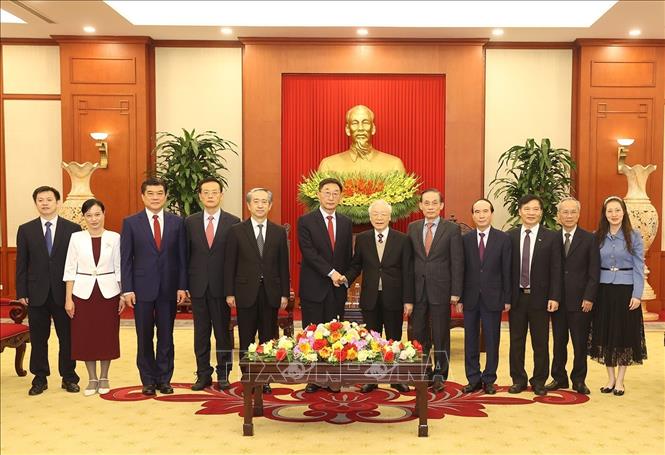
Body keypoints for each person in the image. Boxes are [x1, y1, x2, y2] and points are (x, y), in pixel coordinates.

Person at [121, 178, 187, 396]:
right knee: (144, 336)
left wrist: (182, 286)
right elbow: (126, 258)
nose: (155, 197)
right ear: (143, 196)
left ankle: (164, 379)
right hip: (141, 289)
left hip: (169, 288)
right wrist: (127, 289)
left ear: (166, 196)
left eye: (159, 193)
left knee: (166, 336)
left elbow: (182, 258)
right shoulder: (131, 222)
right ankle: (148, 380)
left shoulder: (177, 222)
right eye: (150, 193)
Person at [343, 199, 414, 393]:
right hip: (370, 297)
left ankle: (395, 378)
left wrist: (408, 300)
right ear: (370, 217)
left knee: (393, 339)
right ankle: (372, 379)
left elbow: (408, 271)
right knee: (372, 341)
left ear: (390, 217)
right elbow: (356, 265)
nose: (379, 218)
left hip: (394, 297)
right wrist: (345, 279)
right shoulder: (363, 238)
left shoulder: (402, 239)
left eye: (383, 214)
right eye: (375, 214)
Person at [16, 186, 82, 395]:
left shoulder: (72, 229)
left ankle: (69, 377)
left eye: (49, 199)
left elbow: (77, 263)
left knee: (67, 338)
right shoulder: (26, 229)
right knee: (38, 338)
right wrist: (21, 291)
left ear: (58, 202)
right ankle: (40, 378)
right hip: (36, 293)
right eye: (40, 200)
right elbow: (22, 263)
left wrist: (75, 292)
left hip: (64, 293)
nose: (45, 203)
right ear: (36, 203)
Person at [225, 188, 290, 394]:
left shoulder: (278, 232)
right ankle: (247, 377)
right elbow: (230, 263)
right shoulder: (236, 231)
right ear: (249, 205)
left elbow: (283, 265)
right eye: (256, 201)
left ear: (270, 206)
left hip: (271, 292)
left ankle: (265, 378)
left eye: (264, 202)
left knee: (267, 338)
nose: (260, 205)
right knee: (246, 337)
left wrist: (284, 293)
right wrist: (229, 292)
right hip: (245, 292)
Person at [63, 199, 124, 396]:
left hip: (108, 293)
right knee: (86, 336)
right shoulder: (76, 238)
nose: (94, 219)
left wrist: (122, 295)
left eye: (97, 214)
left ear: (104, 214)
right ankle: (92, 378)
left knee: (106, 335)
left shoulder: (114, 238)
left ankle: (104, 377)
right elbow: (70, 269)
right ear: (84, 217)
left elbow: (119, 268)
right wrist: (68, 298)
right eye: (89, 215)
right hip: (82, 294)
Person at [297, 177, 353, 393]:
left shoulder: (346, 222)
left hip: (336, 289)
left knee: (334, 334)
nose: (331, 197)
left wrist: (344, 277)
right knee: (312, 335)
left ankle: (332, 378)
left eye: (335, 193)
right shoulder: (306, 221)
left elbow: (346, 255)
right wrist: (331, 273)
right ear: (318, 195)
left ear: (341, 197)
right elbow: (309, 253)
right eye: (327, 192)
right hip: (314, 287)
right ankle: (313, 378)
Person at [185, 177, 240, 391]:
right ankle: (203, 374)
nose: (210, 196)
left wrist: (231, 289)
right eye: (206, 192)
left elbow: (235, 259)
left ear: (221, 195)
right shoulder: (190, 222)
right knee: (201, 334)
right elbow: (185, 255)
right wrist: (185, 285)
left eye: (214, 192)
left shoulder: (233, 222)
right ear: (200, 195)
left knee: (222, 334)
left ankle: (224, 374)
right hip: (198, 286)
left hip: (221, 288)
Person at [588, 196, 646, 396]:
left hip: (626, 291)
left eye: (617, 210)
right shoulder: (597, 236)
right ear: (604, 214)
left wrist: (637, 294)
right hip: (603, 290)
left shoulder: (634, 236)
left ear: (624, 212)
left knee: (623, 334)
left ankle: (620, 380)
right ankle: (610, 379)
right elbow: (592, 267)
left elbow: (639, 267)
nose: (614, 214)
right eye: (610, 211)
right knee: (605, 333)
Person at [406, 189, 463, 393]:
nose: (430, 207)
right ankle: (423, 371)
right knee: (419, 334)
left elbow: (457, 261)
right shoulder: (412, 227)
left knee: (441, 335)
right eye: (426, 203)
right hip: (417, 290)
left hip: (441, 289)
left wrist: (456, 291)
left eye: (434, 203)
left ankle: (440, 374)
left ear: (441, 206)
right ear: (420, 206)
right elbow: (409, 260)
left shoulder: (452, 229)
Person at [508, 194, 562, 396]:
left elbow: (556, 269)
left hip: (541, 298)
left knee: (540, 343)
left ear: (541, 212)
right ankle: (518, 380)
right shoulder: (510, 236)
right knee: (516, 341)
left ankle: (539, 381)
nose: (531, 213)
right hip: (517, 298)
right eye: (527, 209)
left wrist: (554, 296)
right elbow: (505, 270)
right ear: (520, 211)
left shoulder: (551, 237)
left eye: (535, 209)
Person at [546, 197, 599, 395]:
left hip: (581, 302)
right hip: (557, 301)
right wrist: (552, 297)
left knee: (579, 344)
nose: (569, 216)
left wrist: (589, 297)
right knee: (559, 343)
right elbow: (550, 271)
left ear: (579, 214)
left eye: (573, 212)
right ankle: (559, 377)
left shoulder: (589, 239)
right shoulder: (552, 239)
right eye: (565, 212)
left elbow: (594, 272)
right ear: (558, 215)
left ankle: (579, 380)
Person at [457, 198, 511, 395]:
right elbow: (461, 270)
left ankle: (489, 379)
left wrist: (507, 298)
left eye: (485, 211)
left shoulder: (503, 239)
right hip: (470, 297)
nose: (481, 215)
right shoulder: (465, 240)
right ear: (472, 215)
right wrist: (460, 298)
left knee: (492, 340)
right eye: (477, 212)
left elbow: (507, 270)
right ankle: (473, 378)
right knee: (470, 340)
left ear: (491, 214)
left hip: (493, 297)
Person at [318, 105, 406, 174]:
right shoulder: (328, 166)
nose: (360, 128)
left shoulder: (394, 165)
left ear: (373, 129)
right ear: (347, 130)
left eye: (365, 123)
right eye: (355, 123)